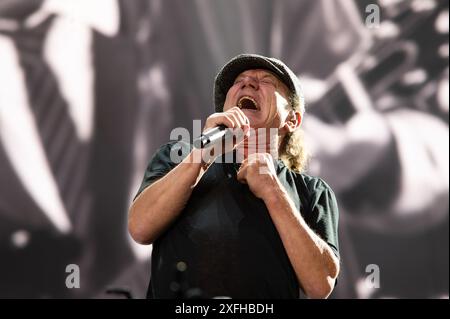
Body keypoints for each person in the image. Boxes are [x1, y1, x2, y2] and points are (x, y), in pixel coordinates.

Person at [129, 54, 340, 299]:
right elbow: (140, 228)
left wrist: (273, 191)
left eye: (266, 80)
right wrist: (202, 156)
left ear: (292, 119)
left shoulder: (312, 191)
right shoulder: (177, 156)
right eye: (239, 80)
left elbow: (320, 285)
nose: (248, 83)